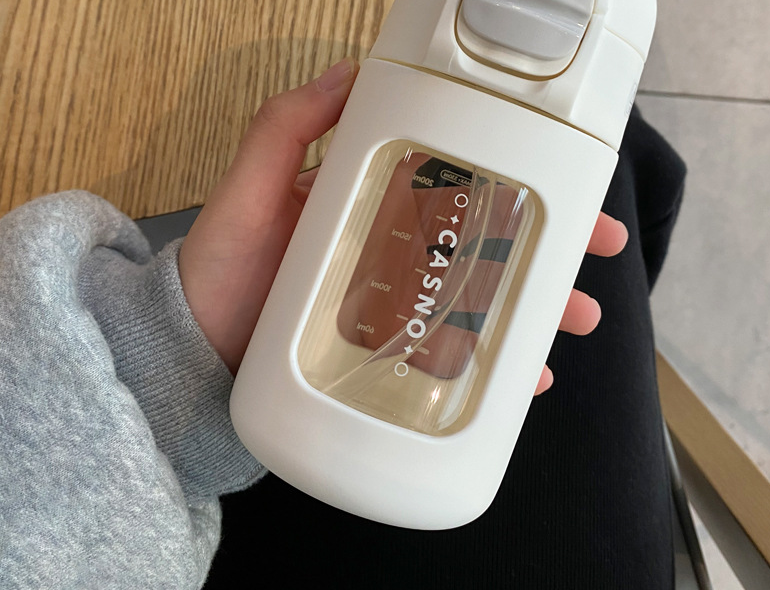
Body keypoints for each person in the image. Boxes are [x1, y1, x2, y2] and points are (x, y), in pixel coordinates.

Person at [0, 58, 686, 589]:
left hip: (141, 484)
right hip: (155, 509)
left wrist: (174, 361)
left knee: (608, 176)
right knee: (616, 158)